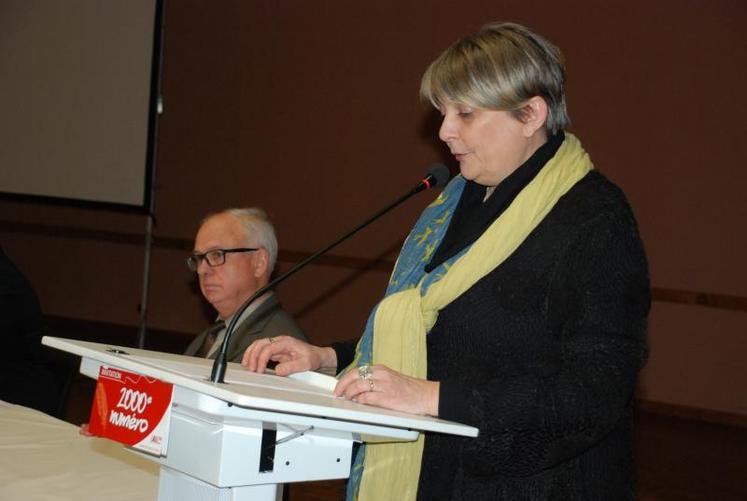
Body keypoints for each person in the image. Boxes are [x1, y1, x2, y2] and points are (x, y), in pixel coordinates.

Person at [242, 22, 650, 501]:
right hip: (433, 475)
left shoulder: (595, 220)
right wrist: (329, 359)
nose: (444, 131)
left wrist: (430, 397)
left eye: (465, 113)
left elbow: (593, 393)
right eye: (442, 112)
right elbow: (441, 337)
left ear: (531, 114)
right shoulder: (458, 202)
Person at [184, 208, 307, 362]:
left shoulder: (280, 348)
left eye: (217, 255)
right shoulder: (208, 337)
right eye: (199, 258)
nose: (202, 270)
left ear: (259, 263)